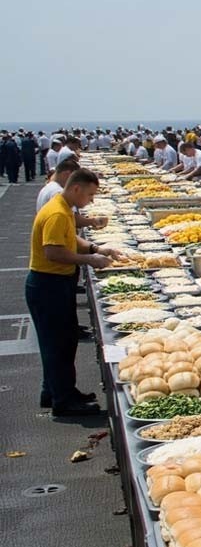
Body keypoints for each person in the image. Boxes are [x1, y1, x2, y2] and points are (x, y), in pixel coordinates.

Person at [28, 169, 124, 416]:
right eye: (90, 195)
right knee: (57, 344)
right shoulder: (57, 213)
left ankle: (56, 391)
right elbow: (53, 251)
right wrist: (89, 259)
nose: (91, 200)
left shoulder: (63, 208)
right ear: (76, 188)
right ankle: (63, 401)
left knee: (62, 341)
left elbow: (69, 240)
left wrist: (96, 247)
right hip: (49, 283)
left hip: (54, 282)